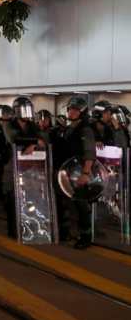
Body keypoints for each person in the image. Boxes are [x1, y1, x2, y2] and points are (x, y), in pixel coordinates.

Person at [51, 96, 97, 249]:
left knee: (81, 204)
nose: (71, 112)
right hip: (65, 171)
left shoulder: (85, 129)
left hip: (78, 172)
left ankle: (85, 236)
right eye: (70, 109)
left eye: (75, 110)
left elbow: (90, 153)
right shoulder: (69, 128)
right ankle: (65, 232)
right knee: (64, 202)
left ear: (82, 112)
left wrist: (85, 173)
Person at [2, 97, 48, 238]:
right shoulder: (8, 124)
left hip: (30, 165)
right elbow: (13, 139)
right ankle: (13, 229)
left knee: (31, 195)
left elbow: (44, 140)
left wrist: (34, 144)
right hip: (12, 163)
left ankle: (29, 224)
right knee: (12, 195)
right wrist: (35, 141)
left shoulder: (32, 126)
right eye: (23, 110)